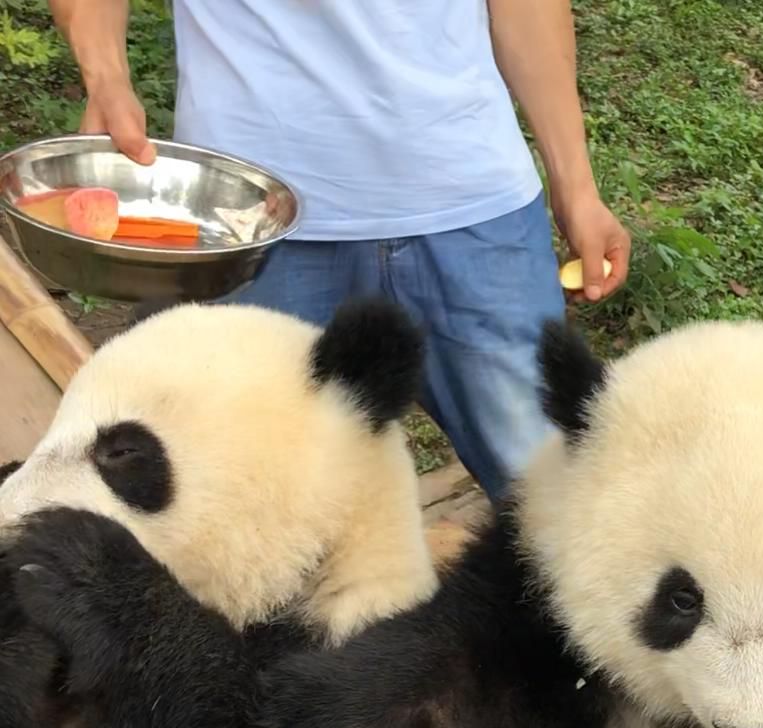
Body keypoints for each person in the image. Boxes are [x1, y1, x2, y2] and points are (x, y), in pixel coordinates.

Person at [50, 0, 631, 500]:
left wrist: (576, 184)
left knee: (562, 504)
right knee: (233, 504)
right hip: (252, 223)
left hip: (474, 206)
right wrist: (105, 78)